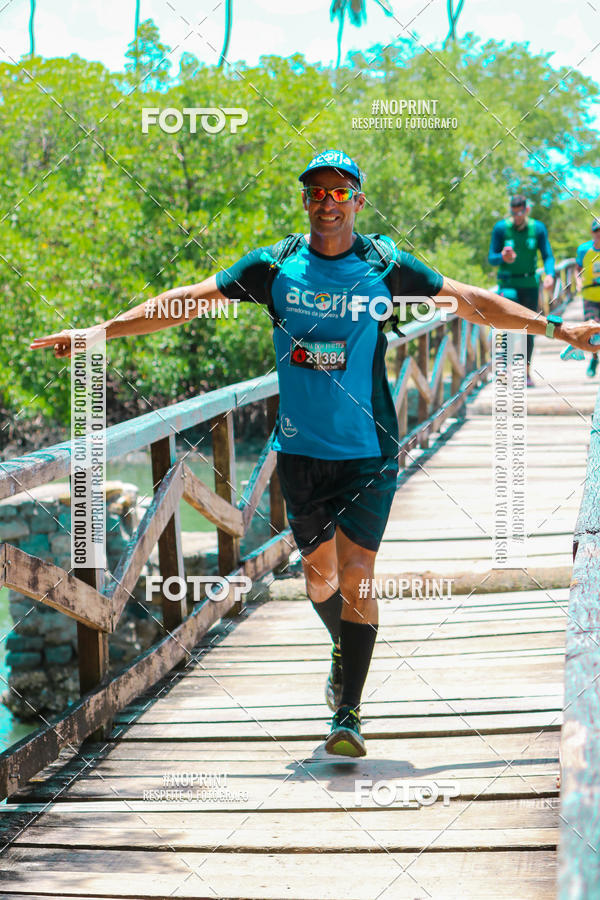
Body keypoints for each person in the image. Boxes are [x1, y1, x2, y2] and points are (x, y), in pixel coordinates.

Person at [31, 150, 600, 758]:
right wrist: (98, 333)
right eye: (315, 193)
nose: (326, 203)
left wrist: (557, 329)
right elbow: (188, 299)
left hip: (369, 449)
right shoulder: (274, 267)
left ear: (357, 199)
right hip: (301, 452)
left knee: (357, 576)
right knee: (318, 577)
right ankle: (343, 652)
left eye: (338, 192)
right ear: (305, 201)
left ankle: (347, 715)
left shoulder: (385, 265)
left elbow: (469, 301)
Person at [488, 194, 556, 387]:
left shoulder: (538, 228)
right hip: (508, 284)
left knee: (529, 328)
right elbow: (491, 258)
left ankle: (525, 372)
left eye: (520, 212)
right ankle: (502, 368)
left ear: (526, 210)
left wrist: (550, 274)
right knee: (505, 323)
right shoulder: (501, 228)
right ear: (511, 211)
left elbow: (547, 255)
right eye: (514, 212)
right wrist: (502, 257)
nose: (517, 216)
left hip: (530, 284)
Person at [575, 220, 600, 377]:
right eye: (596, 230)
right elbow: (578, 269)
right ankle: (594, 358)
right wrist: (578, 282)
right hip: (590, 295)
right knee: (593, 330)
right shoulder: (584, 250)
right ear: (592, 232)